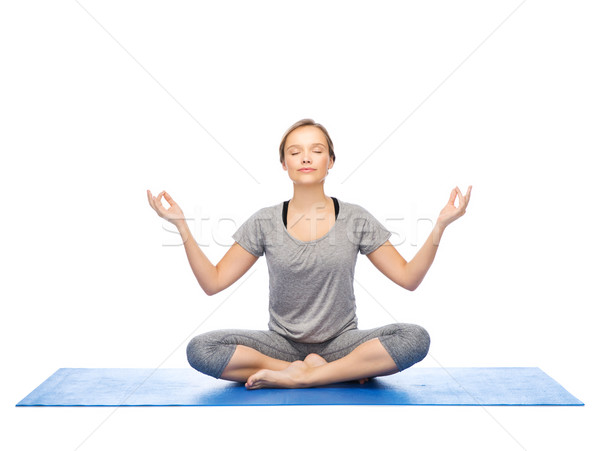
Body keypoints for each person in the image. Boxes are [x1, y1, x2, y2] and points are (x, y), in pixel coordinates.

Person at [147, 118, 472, 390]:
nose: (306, 158)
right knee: (201, 349)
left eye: (316, 151)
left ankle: (306, 377)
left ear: (330, 162)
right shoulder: (264, 221)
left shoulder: (356, 218)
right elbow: (213, 281)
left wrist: (440, 225)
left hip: (343, 344)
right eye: (295, 152)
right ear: (284, 164)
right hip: (280, 346)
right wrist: (181, 226)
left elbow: (408, 278)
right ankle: (317, 371)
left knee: (414, 338)